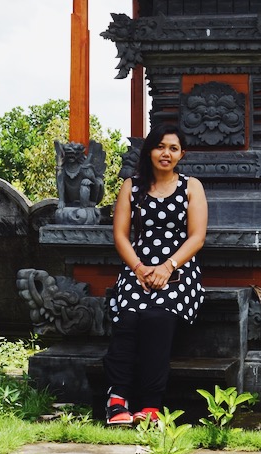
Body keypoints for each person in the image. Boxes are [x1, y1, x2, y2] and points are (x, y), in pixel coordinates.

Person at [103, 123, 208, 425]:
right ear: (149, 150)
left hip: (179, 269)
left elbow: (197, 237)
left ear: (181, 154)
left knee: (157, 318)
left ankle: (150, 405)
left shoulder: (191, 187)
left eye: (173, 148)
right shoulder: (131, 186)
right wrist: (138, 268)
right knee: (129, 317)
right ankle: (117, 399)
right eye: (160, 146)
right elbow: (120, 235)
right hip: (137, 267)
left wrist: (167, 267)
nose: (166, 153)